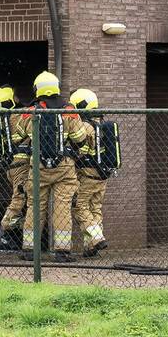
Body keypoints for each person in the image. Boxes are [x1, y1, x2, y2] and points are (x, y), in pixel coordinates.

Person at [16, 71, 89, 263]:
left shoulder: (31, 110)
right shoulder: (68, 109)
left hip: (38, 167)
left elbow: (18, 133)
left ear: (38, 89)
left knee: (34, 207)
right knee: (62, 207)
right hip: (64, 166)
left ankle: (30, 250)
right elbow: (81, 139)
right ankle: (62, 252)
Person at [0, 85, 30, 251]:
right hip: (20, 165)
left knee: (23, 200)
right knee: (19, 199)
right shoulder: (18, 116)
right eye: (15, 97)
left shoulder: (3, 119)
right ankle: (4, 234)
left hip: (11, 166)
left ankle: (13, 236)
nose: (18, 100)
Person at [69, 88, 109, 257]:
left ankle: (97, 237)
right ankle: (91, 246)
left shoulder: (85, 126)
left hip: (87, 175)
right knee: (95, 208)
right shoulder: (101, 122)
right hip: (102, 175)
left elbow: (83, 149)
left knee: (79, 206)